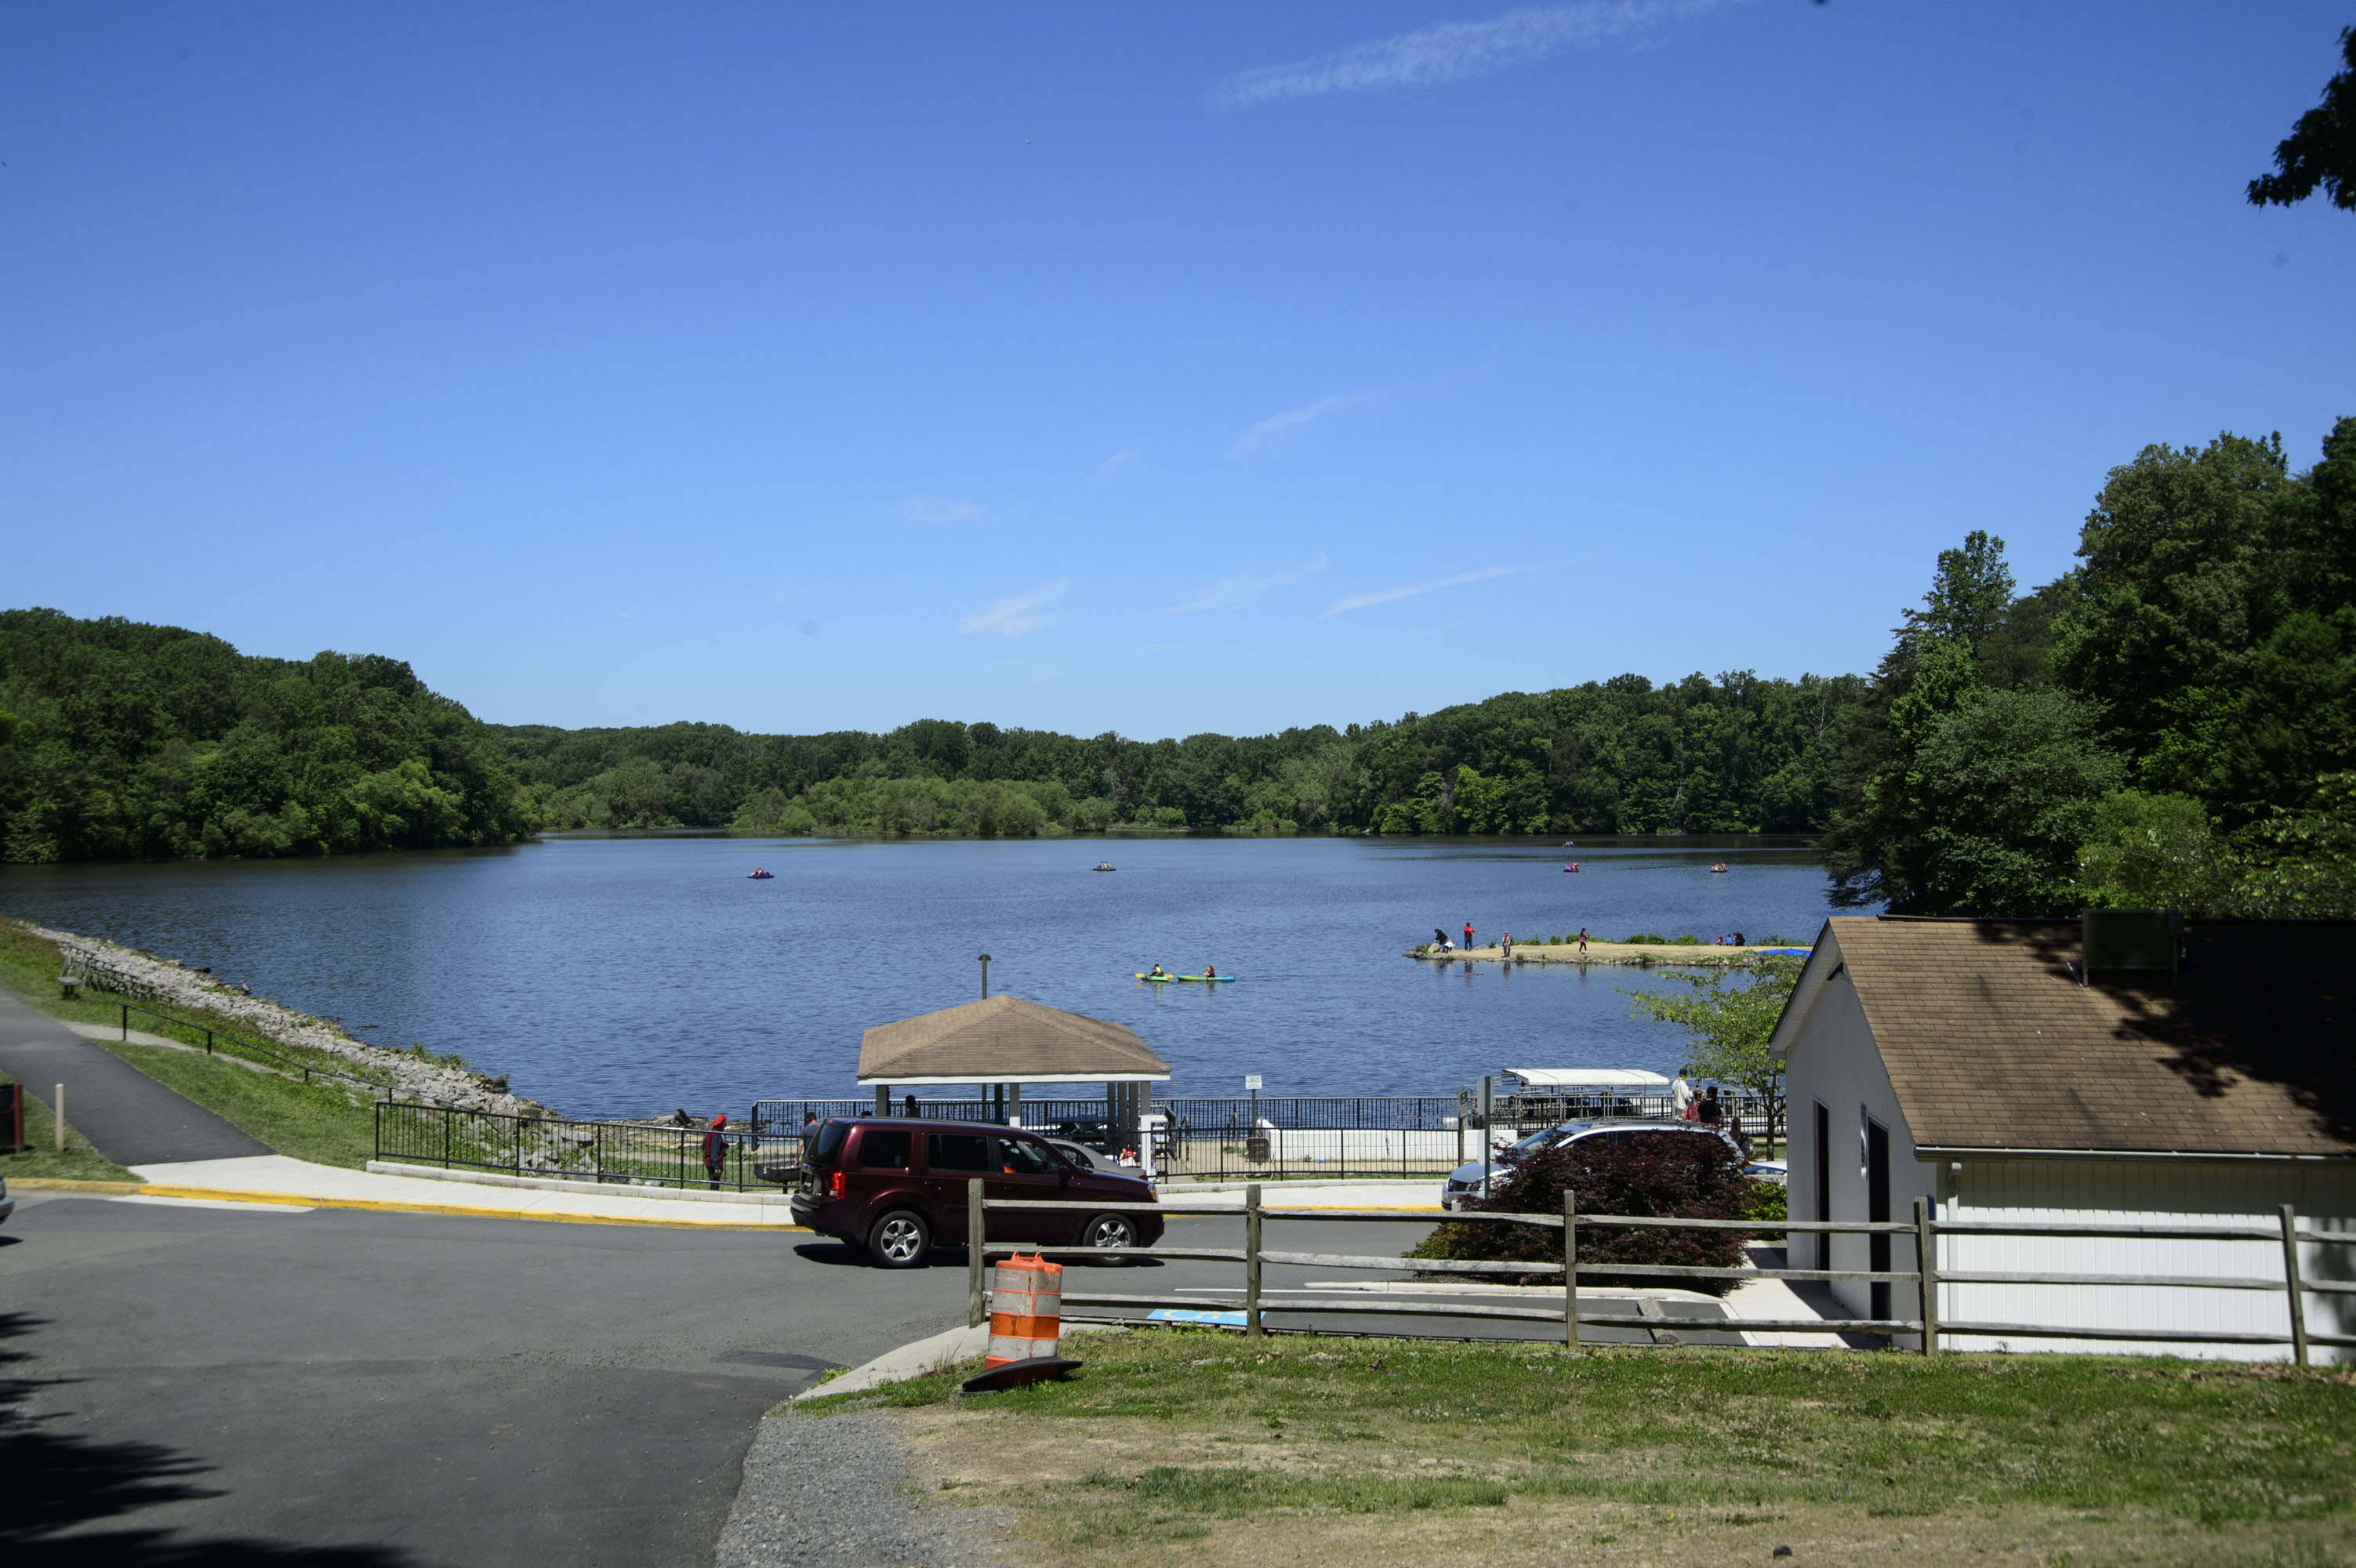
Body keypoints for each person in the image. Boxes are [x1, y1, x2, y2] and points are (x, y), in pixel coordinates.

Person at [702, 1113, 731, 1190]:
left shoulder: (710, 1132)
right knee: (715, 1184)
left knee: (713, 1182)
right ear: (721, 1125)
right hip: (714, 1163)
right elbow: (714, 1152)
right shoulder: (717, 1136)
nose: (725, 1127)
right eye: (725, 1125)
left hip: (709, 1161)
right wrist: (716, 1167)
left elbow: (703, 1146)